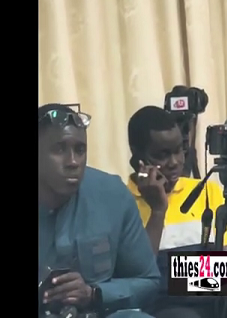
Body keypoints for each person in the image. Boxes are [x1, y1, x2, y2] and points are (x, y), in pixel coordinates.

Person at [38, 103, 161, 317]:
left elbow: (148, 281)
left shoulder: (112, 196)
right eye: (59, 149)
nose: (73, 162)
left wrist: (93, 293)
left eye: (80, 150)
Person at [125, 106, 227, 254]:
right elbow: (139, 265)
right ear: (137, 155)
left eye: (179, 150)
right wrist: (158, 211)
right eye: (162, 155)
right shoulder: (122, 203)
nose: (174, 162)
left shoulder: (208, 191)